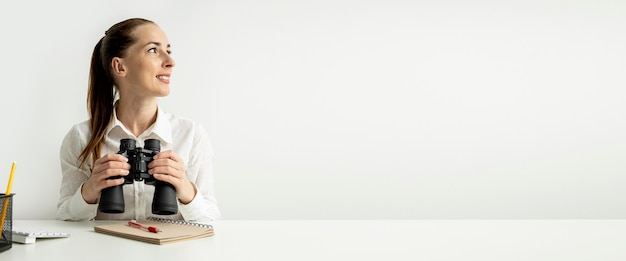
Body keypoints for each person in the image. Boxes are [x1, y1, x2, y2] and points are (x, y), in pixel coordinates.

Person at [57, 18, 220, 223]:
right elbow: (64, 218)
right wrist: (89, 191)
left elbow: (211, 221)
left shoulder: (190, 135)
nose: (170, 62)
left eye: (168, 50)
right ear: (120, 66)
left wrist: (186, 190)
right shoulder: (82, 137)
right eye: (153, 50)